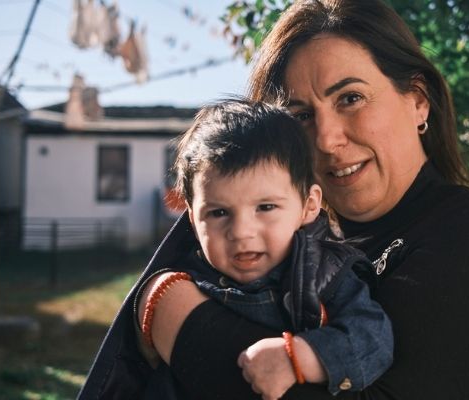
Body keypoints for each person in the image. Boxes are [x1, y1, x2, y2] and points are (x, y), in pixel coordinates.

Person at [79, 0, 469, 399]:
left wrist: (173, 315)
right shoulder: (300, 242)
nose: (325, 139)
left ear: (418, 100)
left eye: (350, 98)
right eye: (301, 115)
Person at [134, 99, 393, 399]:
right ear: (192, 219)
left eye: (265, 207)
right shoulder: (188, 279)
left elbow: (373, 338)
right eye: (219, 213)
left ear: (309, 205)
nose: (241, 232)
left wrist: (298, 357)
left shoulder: (326, 274)